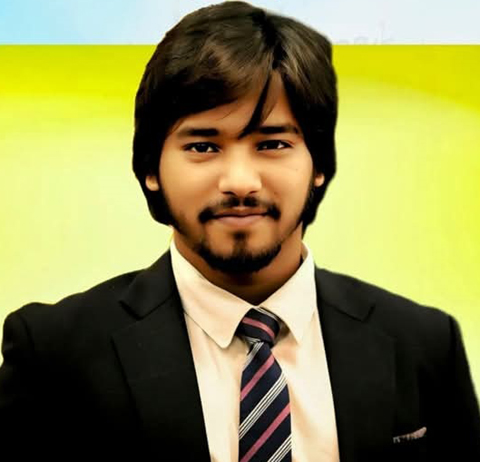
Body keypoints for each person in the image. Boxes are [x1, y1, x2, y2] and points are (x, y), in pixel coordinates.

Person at [0, 1, 479, 461]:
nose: (240, 182)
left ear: (318, 164)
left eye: (272, 143)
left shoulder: (423, 343)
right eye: (203, 147)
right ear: (151, 168)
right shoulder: (54, 355)